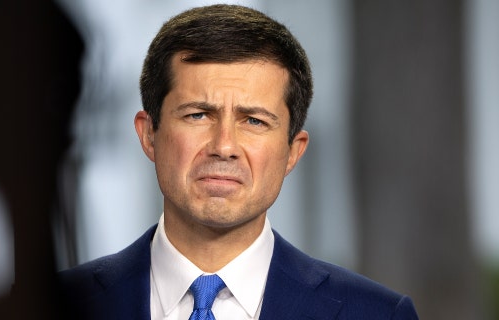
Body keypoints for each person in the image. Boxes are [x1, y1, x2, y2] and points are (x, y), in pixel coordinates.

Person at [58, 4, 419, 319]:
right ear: (148, 133)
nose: (224, 146)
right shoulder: (56, 306)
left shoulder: (377, 314)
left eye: (254, 121)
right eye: (198, 115)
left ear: (293, 151)